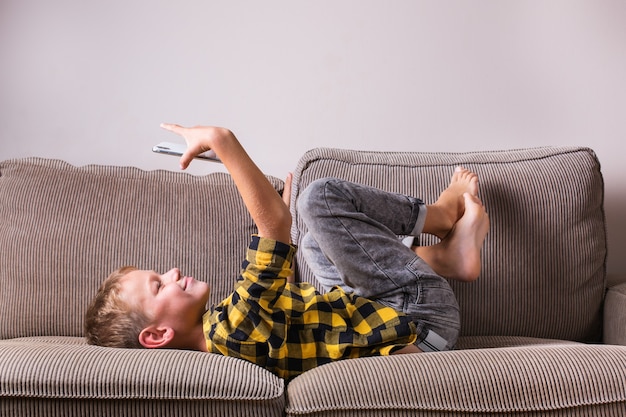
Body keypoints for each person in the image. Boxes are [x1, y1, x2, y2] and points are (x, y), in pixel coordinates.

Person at [85, 123, 489, 380]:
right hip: (422, 321)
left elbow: (289, 300)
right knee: (320, 199)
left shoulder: (227, 334)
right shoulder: (234, 326)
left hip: (382, 316)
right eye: (158, 285)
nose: (172, 272)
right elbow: (274, 227)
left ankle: (441, 259)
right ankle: (437, 217)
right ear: (157, 334)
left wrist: (283, 222)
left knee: (314, 239)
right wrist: (221, 142)